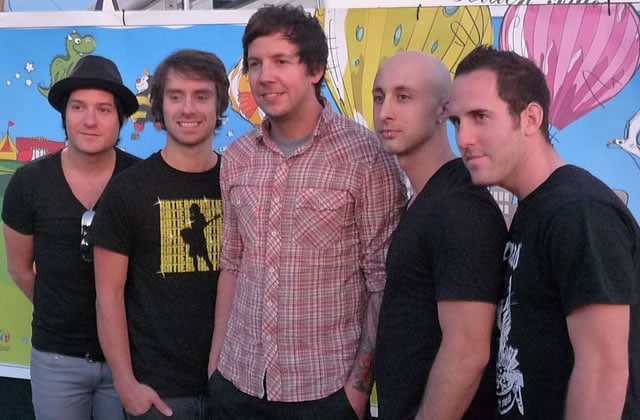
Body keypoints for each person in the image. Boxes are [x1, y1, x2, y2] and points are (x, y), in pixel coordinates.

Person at [208, 4, 406, 419]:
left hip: (325, 391)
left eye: (281, 61)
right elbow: (233, 265)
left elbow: (382, 282)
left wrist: (356, 392)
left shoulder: (366, 158)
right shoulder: (238, 158)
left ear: (314, 70)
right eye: (255, 63)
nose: (265, 76)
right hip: (238, 381)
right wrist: (217, 367)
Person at [448, 44, 640, 419]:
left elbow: (603, 374)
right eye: (456, 122)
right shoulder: (537, 207)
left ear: (531, 118)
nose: (463, 138)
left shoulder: (578, 212)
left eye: (480, 117)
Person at [91, 49, 228, 419]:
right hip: (159, 395)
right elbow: (108, 295)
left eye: (202, 96)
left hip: (234, 387)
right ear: (160, 107)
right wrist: (125, 383)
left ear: (219, 105)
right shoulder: (127, 191)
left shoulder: (240, 183)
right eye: (175, 96)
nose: (188, 109)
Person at [2, 54, 140, 419]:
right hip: (56, 359)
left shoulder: (141, 182)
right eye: (78, 107)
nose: (90, 120)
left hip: (131, 358)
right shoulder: (28, 184)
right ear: (64, 115)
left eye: (104, 109)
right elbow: (19, 269)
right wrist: (60, 310)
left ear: (121, 119)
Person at [372, 51, 507, 420]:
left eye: (403, 97)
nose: (385, 112)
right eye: (379, 96)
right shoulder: (428, 198)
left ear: (443, 110)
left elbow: (467, 352)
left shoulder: (458, 207)